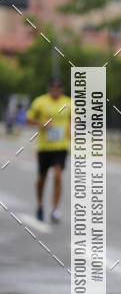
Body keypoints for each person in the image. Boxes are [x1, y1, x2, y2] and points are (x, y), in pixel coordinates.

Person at [26, 76, 71, 223]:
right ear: (48, 88)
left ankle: (55, 209)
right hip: (44, 147)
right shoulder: (40, 102)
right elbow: (28, 119)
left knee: (58, 176)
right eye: (53, 87)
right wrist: (42, 124)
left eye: (58, 87)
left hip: (61, 146)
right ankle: (40, 204)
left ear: (62, 89)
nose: (55, 90)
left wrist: (72, 130)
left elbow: (75, 119)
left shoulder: (68, 102)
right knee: (42, 178)